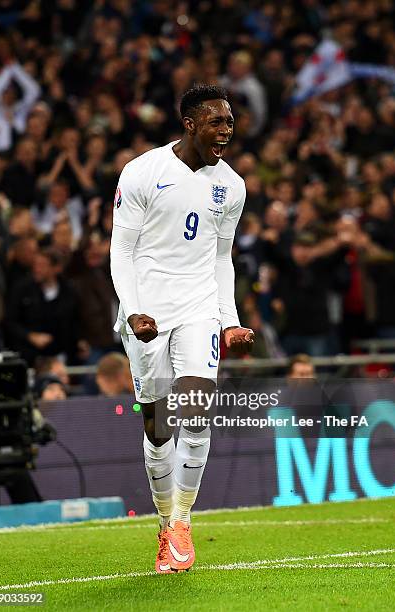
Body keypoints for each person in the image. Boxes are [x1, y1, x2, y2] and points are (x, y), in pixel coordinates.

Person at [110, 85, 254, 574]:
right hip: (148, 311)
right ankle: (164, 520)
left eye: (230, 123)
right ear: (190, 124)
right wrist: (132, 311)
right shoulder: (143, 172)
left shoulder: (231, 186)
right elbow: (121, 251)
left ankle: (182, 521)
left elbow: (220, 259)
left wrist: (228, 319)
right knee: (157, 423)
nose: (226, 131)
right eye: (216, 122)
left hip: (199, 310)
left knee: (195, 411)